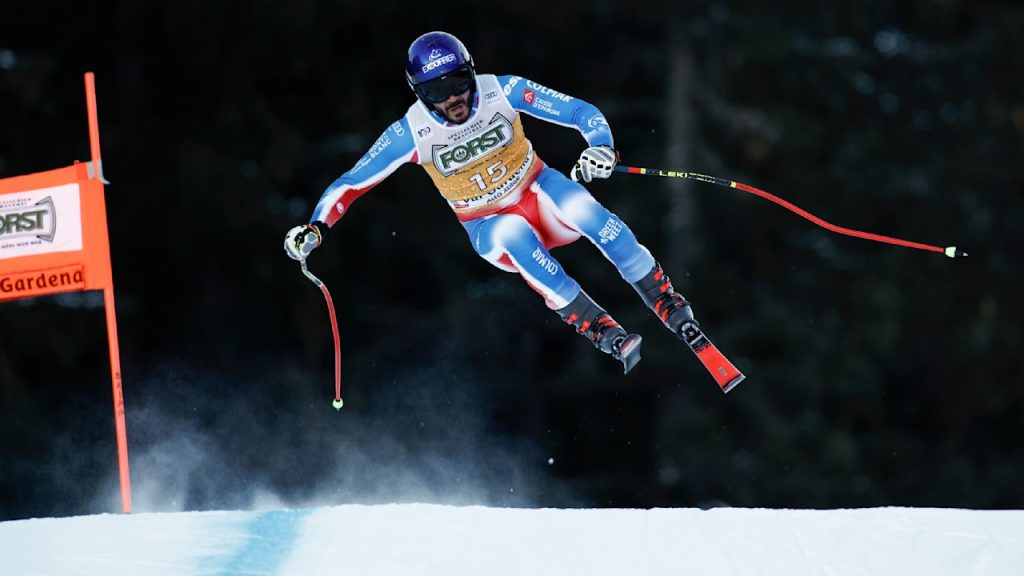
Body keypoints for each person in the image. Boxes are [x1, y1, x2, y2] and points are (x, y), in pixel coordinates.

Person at [284, 31, 698, 374]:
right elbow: (352, 183)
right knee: (515, 233)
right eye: (436, 91)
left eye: (459, 82)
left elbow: (579, 111)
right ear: (418, 93)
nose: (453, 99)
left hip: (538, 191)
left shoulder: (503, 90)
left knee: (582, 208)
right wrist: (316, 227)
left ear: (472, 72)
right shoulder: (410, 132)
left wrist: (602, 148)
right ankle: (600, 327)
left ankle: (663, 297)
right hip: (489, 225)